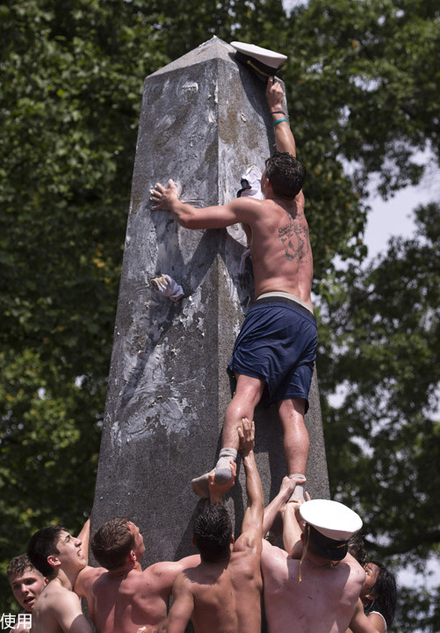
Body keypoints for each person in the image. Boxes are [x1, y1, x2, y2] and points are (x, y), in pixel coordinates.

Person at [150, 75, 315, 503]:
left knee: (247, 390)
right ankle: (297, 487)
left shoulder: (254, 208)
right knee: (292, 409)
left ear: (264, 183)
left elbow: (192, 219)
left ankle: (225, 461)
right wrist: (277, 106)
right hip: (306, 319)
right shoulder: (297, 206)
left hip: (272, 310)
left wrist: (172, 202)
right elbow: (288, 154)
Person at [145, 418, 264, 633]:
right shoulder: (249, 558)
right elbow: (256, 505)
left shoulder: (189, 582)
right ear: (230, 539)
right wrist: (248, 454)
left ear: (193, 542)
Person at [259, 495, 381, 633]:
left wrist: (284, 500)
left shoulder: (275, 564)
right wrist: (319, 525)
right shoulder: (355, 577)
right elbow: (328, 549)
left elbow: (252, 536)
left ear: (303, 538)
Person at [87, 515, 202, 633]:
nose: (141, 535)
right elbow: (210, 557)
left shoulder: (91, 582)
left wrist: (89, 521)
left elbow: (71, 566)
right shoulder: (154, 578)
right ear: (132, 555)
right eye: (138, 534)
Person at [26, 526, 94, 633]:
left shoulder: (45, 599)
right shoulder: (63, 597)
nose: (78, 541)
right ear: (53, 560)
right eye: (68, 540)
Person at [357, 561, 398, 633]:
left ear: (372, 593)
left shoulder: (375, 618)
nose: (359, 571)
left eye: (367, 572)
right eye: (360, 567)